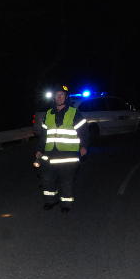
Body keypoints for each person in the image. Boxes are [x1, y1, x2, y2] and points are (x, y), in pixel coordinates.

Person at [34, 85, 87, 213]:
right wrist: (39, 149)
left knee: (66, 181)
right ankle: (50, 201)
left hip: (68, 155)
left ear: (66, 97)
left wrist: (84, 146)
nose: (59, 97)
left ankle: (66, 204)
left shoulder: (74, 113)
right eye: (57, 95)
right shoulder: (48, 113)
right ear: (54, 98)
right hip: (50, 154)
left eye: (62, 95)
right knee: (47, 179)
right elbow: (44, 134)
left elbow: (84, 131)